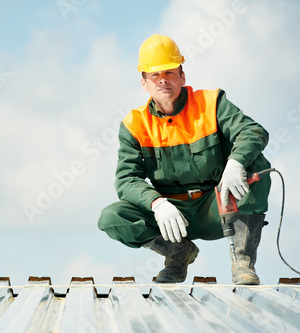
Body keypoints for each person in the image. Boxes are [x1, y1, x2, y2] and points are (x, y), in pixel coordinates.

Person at [98, 34, 271, 285]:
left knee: (256, 165)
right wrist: (157, 203)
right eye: (154, 75)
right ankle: (178, 254)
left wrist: (236, 162)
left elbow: (253, 132)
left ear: (182, 76)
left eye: (169, 72)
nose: (163, 80)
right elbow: (126, 180)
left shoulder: (211, 104)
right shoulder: (134, 125)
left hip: (219, 208)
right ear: (144, 83)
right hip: (172, 218)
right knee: (111, 218)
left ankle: (243, 261)